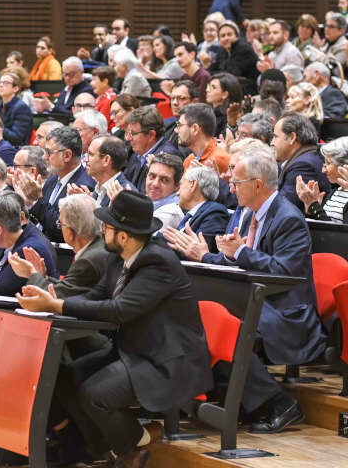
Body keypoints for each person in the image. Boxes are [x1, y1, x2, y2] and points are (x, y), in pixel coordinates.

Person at [17, 189, 212, 466]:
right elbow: (96, 296)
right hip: (135, 350)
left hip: (168, 360)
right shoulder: (116, 257)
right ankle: (108, 448)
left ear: (123, 235)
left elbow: (120, 310)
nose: (101, 230)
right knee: (65, 374)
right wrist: (54, 299)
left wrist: (56, 306)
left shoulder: (158, 262)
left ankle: (132, 447)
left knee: (95, 393)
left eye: (106, 226)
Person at [169, 147, 325, 434]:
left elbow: (284, 272)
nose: (230, 187)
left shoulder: (288, 219)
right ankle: (229, 399)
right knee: (202, 320)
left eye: (236, 182)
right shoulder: (244, 213)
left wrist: (240, 252)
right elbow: (236, 260)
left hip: (286, 311)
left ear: (257, 184)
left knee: (231, 327)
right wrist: (204, 256)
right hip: (253, 300)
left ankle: (280, 403)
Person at [9, 194, 109, 299]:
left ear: (70, 231)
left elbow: (58, 296)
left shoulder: (89, 260)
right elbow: (68, 287)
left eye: (60, 224)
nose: (60, 228)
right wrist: (42, 277)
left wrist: (31, 274)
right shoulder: (97, 248)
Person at [15, 126, 95, 242]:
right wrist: (28, 202)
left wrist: (36, 200)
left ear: (67, 155)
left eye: (48, 152)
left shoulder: (83, 186)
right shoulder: (53, 179)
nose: (44, 157)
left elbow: (59, 230)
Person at [161, 166, 230, 252]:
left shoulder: (215, 213)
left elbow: (197, 252)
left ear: (193, 185)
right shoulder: (191, 214)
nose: (177, 193)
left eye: (181, 184)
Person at [296, 136, 348, 223]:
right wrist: (309, 207)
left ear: (344, 164)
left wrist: (314, 206)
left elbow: (339, 232)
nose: (323, 170)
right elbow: (320, 225)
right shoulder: (332, 193)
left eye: (328, 163)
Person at [271, 112, 330, 210]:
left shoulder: (303, 166)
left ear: (292, 138)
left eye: (276, 137)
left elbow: (280, 207)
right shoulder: (306, 158)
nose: (272, 142)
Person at [123, 105, 181, 192]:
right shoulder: (139, 152)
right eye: (128, 132)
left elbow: (149, 196)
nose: (128, 138)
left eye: (133, 133)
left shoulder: (166, 157)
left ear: (151, 135)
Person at [204, 20, 259, 95]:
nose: (226, 38)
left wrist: (215, 74)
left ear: (236, 36)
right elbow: (209, 71)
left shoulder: (244, 49)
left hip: (248, 89)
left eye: (229, 35)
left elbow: (231, 74)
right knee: (206, 83)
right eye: (223, 36)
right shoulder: (222, 50)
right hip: (231, 86)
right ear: (219, 40)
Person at [177, 103, 231, 175]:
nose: (176, 130)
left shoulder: (220, 159)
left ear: (195, 129)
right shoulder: (189, 160)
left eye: (180, 125)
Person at [84, 135, 135, 207]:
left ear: (106, 160)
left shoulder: (126, 195)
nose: (85, 159)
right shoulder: (98, 187)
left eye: (91, 154)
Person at [0, 71, 34, 146]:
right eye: (0, 82)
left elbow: (17, 137)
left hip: (17, 149)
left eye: (6, 83)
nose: (1, 85)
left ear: (15, 88)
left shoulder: (22, 108)